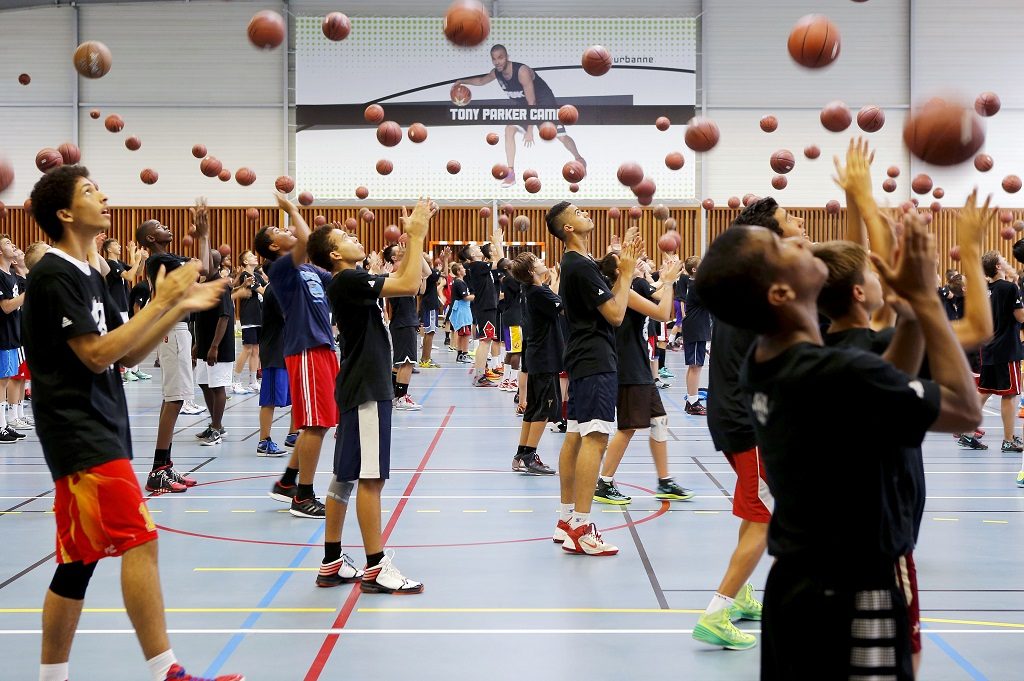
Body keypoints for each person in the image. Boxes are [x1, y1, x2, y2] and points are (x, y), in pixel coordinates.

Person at [694, 210, 981, 680]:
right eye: (784, 248)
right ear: (781, 293)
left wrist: (907, 317)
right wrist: (928, 301)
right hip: (857, 587)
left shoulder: (767, 361)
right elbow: (965, 410)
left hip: (795, 590)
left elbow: (882, 388)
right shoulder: (835, 373)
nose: (801, 243)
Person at [26, 165, 240, 681]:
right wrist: (166, 300)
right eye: (88, 191)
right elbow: (97, 355)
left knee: (76, 565)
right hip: (81, 433)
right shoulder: (52, 274)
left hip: (102, 426)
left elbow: (129, 353)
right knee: (141, 540)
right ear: (64, 213)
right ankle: (166, 670)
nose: (103, 195)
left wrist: (176, 307)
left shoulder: (90, 275)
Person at [692, 197, 804, 651]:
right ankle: (716, 614)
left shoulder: (750, 280)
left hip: (736, 415)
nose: (799, 220)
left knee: (753, 512)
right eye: (790, 217)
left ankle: (738, 594)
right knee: (765, 519)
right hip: (748, 420)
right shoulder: (764, 285)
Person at [309, 199, 435, 593]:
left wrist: (414, 241)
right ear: (334, 254)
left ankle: (331, 561)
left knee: (344, 477)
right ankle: (376, 567)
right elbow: (409, 285)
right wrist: (414, 234)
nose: (355, 236)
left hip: (358, 384)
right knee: (370, 478)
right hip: (366, 388)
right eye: (345, 236)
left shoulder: (353, 279)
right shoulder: (347, 278)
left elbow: (413, 278)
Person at [546, 201, 639, 556]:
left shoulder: (579, 264)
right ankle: (583, 528)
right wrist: (627, 272)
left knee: (575, 436)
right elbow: (615, 314)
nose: (585, 212)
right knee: (596, 438)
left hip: (583, 357)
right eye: (577, 212)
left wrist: (621, 258)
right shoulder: (578, 267)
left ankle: (566, 519)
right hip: (595, 359)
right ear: (567, 228)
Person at [254, 205, 340, 520]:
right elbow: (305, 241)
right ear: (275, 247)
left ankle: (288, 482)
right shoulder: (280, 270)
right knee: (315, 424)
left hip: (323, 347)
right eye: (280, 232)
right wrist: (292, 209)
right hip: (305, 348)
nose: (288, 230)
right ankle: (303, 497)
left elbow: (338, 278)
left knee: (321, 422)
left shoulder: (310, 271)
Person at [593, 252, 692, 505]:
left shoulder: (630, 286)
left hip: (637, 364)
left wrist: (664, 280)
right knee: (627, 427)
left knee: (659, 420)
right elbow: (663, 314)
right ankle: (604, 483)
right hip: (628, 366)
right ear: (618, 271)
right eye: (624, 259)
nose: (633, 260)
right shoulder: (620, 291)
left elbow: (659, 300)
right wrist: (669, 282)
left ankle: (664, 480)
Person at [137, 204, 213, 493]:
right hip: (172, 329)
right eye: (158, 225)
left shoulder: (169, 258)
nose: (165, 226)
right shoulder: (158, 262)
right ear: (150, 239)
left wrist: (203, 240)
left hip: (178, 330)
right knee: (175, 399)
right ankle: (158, 469)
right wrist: (204, 236)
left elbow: (204, 273)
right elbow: (203, 268)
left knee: (175, 398)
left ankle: (165, 465)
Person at [456, 45, 585, 187]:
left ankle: (579, 158)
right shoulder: (497, 73)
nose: (497, 61)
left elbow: (532, 102)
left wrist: (530, 130)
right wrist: (462, 81)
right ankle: (510, 174)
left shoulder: (521, 71)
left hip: (543, 102)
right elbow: (481, 81)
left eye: (500, 57)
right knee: (509, 129)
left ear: (507, 57)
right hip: (524, 105)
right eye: (494, 59)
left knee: (560, 136)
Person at [509, 252, 559, 475]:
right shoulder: (538, 292)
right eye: (538, 261)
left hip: (537, 356)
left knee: (533, 409)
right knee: (544, 410)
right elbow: (561, 306)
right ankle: (530, 456)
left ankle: (521, 453)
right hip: (545, 357)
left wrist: (549, 280)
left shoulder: (529, 290)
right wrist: (556, 280)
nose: (542, 262)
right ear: (531, 271)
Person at [193, 250, 234, 446]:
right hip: (205, 344)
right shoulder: (204, 285)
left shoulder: (222, 286)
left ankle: (216, 430)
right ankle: (216, 424)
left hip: (219, 346)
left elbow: (224, 316)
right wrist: (198, 344)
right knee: (203, 382)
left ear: (213, 264)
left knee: (217, 387)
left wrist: (214, 346)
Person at [383, 243, 428, 411]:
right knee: (407, 362)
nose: (403, 249)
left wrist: (415, 251)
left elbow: (421, 289)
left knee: (400, 362)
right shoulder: (396, 272)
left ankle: (396, 395)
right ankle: (401, 397)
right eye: (399, 249)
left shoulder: (404, 272)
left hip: (405, 320)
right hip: (403, 321)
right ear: (394, 257)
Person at [101, 237, 151, 382]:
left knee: (130, 339)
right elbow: (129, 276)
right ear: (109, 249)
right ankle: (123, 371)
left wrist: (140, 259)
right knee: (122, 340)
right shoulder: (110, 264)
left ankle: (133, 370)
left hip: (123, 306)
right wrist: (135, 257)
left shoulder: (119, 263)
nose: (119, 246)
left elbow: (137, 271)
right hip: (115, 307)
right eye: (116, 244)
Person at [255, 271, 290, 457]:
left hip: (287, 350)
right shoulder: (275, 290)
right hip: (275, 352)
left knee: (296, 397)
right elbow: (288, 316)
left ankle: (292, 435)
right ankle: (264, 441)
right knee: (269, 401)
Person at [462, 231, 504, 386]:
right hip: (485, 308)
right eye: (476, 248)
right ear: (472, 254)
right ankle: (479, 376)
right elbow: (501, 262)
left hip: (489, 307)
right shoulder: (477, 265)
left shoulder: (481, 267)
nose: (479, 248)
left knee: (486, 340)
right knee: (485, 341)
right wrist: (498, 243)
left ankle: (481, 374)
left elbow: (501, 266)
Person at [232, 249, 265, 394]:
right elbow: (264, 291)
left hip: (259, 316)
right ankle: (236, 381)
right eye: (251, 256)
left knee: (256, 349)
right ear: (245, 262)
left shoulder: (257, 275)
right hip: (249, 316)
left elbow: (267, 285)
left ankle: (253, 382)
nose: (255, 257)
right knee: (247, 349)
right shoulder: (246, 276)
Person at [681, 257, 711, 414]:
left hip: (696, 327)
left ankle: (691, 400)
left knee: (694, 366)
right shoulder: (696, 286)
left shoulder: (696, 284)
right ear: (694, 270)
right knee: (696, 366)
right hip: (695, 328)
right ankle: (693, 403)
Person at [418, 249, 449, 369]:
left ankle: (424, 359)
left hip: (427, 304)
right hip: (430, 305)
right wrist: (445, 259)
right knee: (430, 333)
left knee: (428, 333)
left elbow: (441, 273)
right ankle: (426, 359)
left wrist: (443, 260)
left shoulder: (428, 273)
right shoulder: (429, 273)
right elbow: (445, 274)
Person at [498, 257, 524, 392]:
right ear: (506, 267)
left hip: (510, 317)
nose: (512, 261)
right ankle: (513, 381)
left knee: (510, 351)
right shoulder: (510, 279)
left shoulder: (509, 279)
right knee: (517, 351)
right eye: (510, 262)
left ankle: (505, 380)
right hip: (514, 318)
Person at [448, 262, 474, 363]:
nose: (465, 270)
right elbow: (466, 297)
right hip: (461, 310)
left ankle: (460, 354)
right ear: (458, 272)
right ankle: (464, 354)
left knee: (462, 333)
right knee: (465, 333)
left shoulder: (461, 282)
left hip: (463, 310)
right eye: (462, 268)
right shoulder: (459, 283)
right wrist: (478, 296)